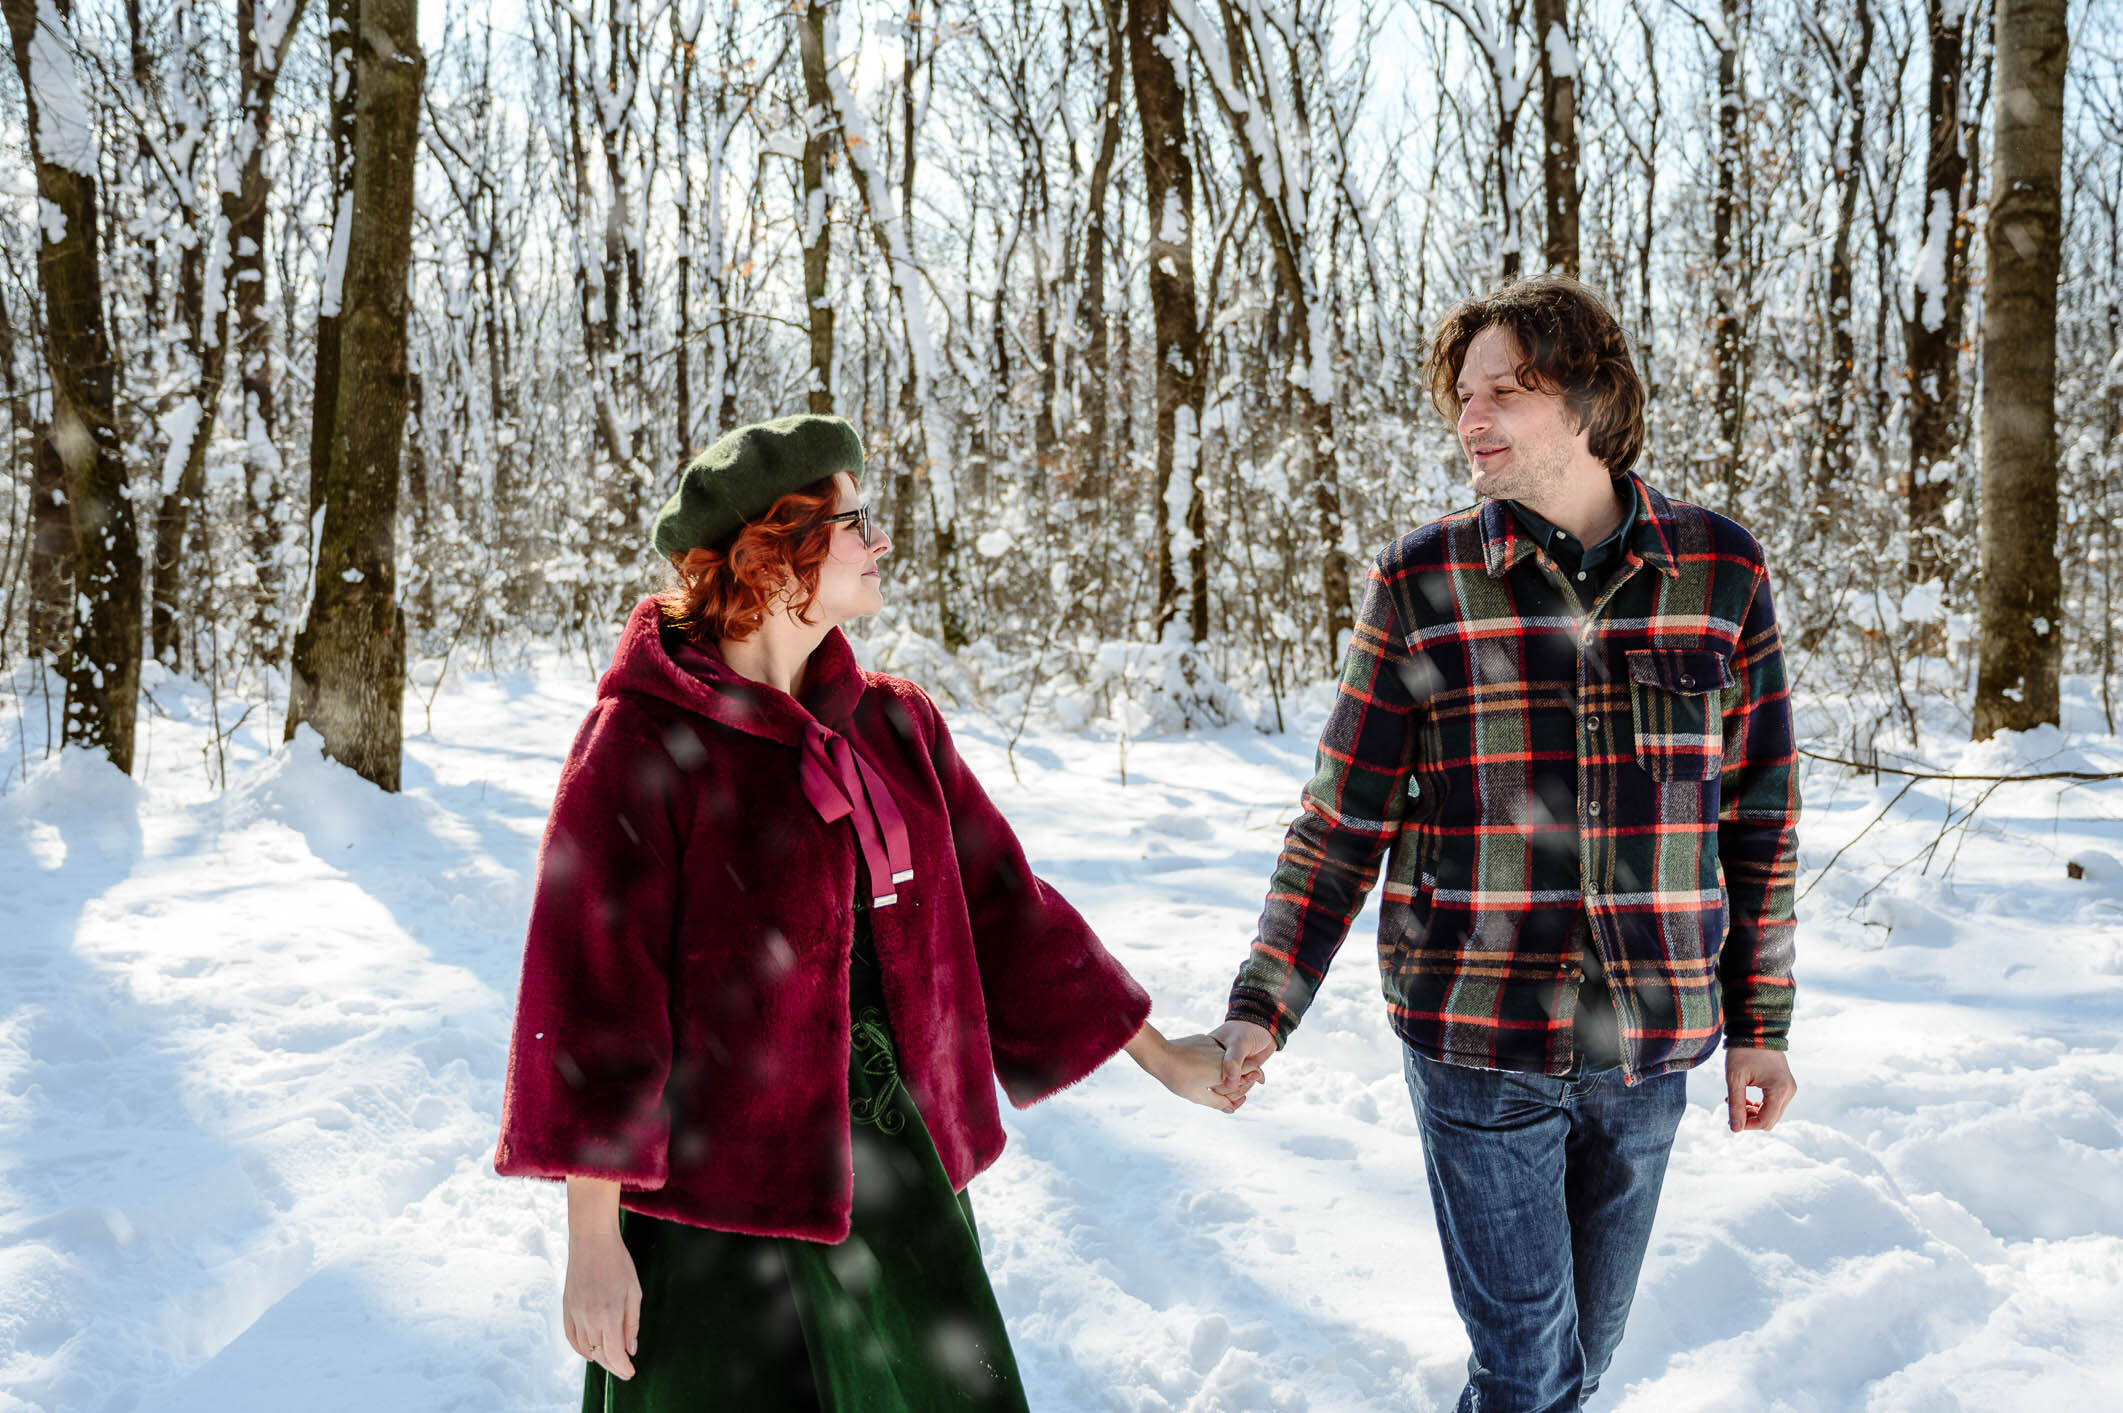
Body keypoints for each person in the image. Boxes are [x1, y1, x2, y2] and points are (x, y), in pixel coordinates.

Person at [495, 414, 1247, 1411]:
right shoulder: (641, 741)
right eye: (853, 522)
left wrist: (1163, 1056)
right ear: (770, 554)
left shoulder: (894, 723)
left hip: (899, 1189)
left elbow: (1008, 913)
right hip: (716, 1222)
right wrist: (593, 1239)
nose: (879, 539)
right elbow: (594, 995)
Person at [1208, 277, 1801, 1412]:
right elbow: (1342, 818)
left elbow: (1759, 818)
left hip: (1649, 1043)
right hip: (1476, 1033)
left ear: (1587, 401)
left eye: (1503, 393)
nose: (1468, 419)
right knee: (1527, 1371)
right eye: (1461, 396)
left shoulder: (1719, 571)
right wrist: (1261, 1004)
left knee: (1583, 1359)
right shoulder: (1423, 582)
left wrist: (1761, 1025)